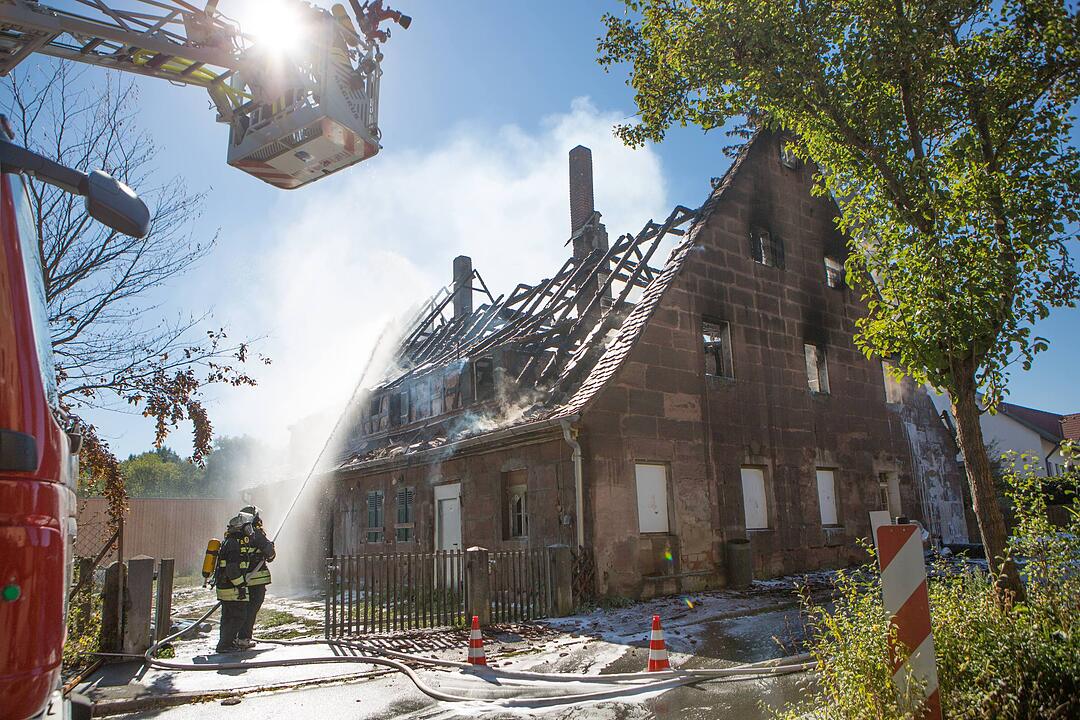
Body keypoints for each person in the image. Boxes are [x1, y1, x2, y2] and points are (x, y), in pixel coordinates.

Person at [235, 505, 276, 650]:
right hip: (255, 581)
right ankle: (244, 638)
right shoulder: (256, 534)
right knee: (251, 608)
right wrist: (270, 547)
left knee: (239, 609)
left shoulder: (236, 534)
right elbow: (270, 555)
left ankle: (234, 636)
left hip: (238, 580)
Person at [214, 511, 254, 654]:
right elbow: (232, 569)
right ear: (240, 528)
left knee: (228, 617)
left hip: (226, 587)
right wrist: (241, 586)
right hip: (232, 588)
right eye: (248, 527)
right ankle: (225, 645)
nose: (250, 530)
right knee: (238, 617)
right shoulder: (233, 545)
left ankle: (225, 643)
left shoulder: (230, 542)